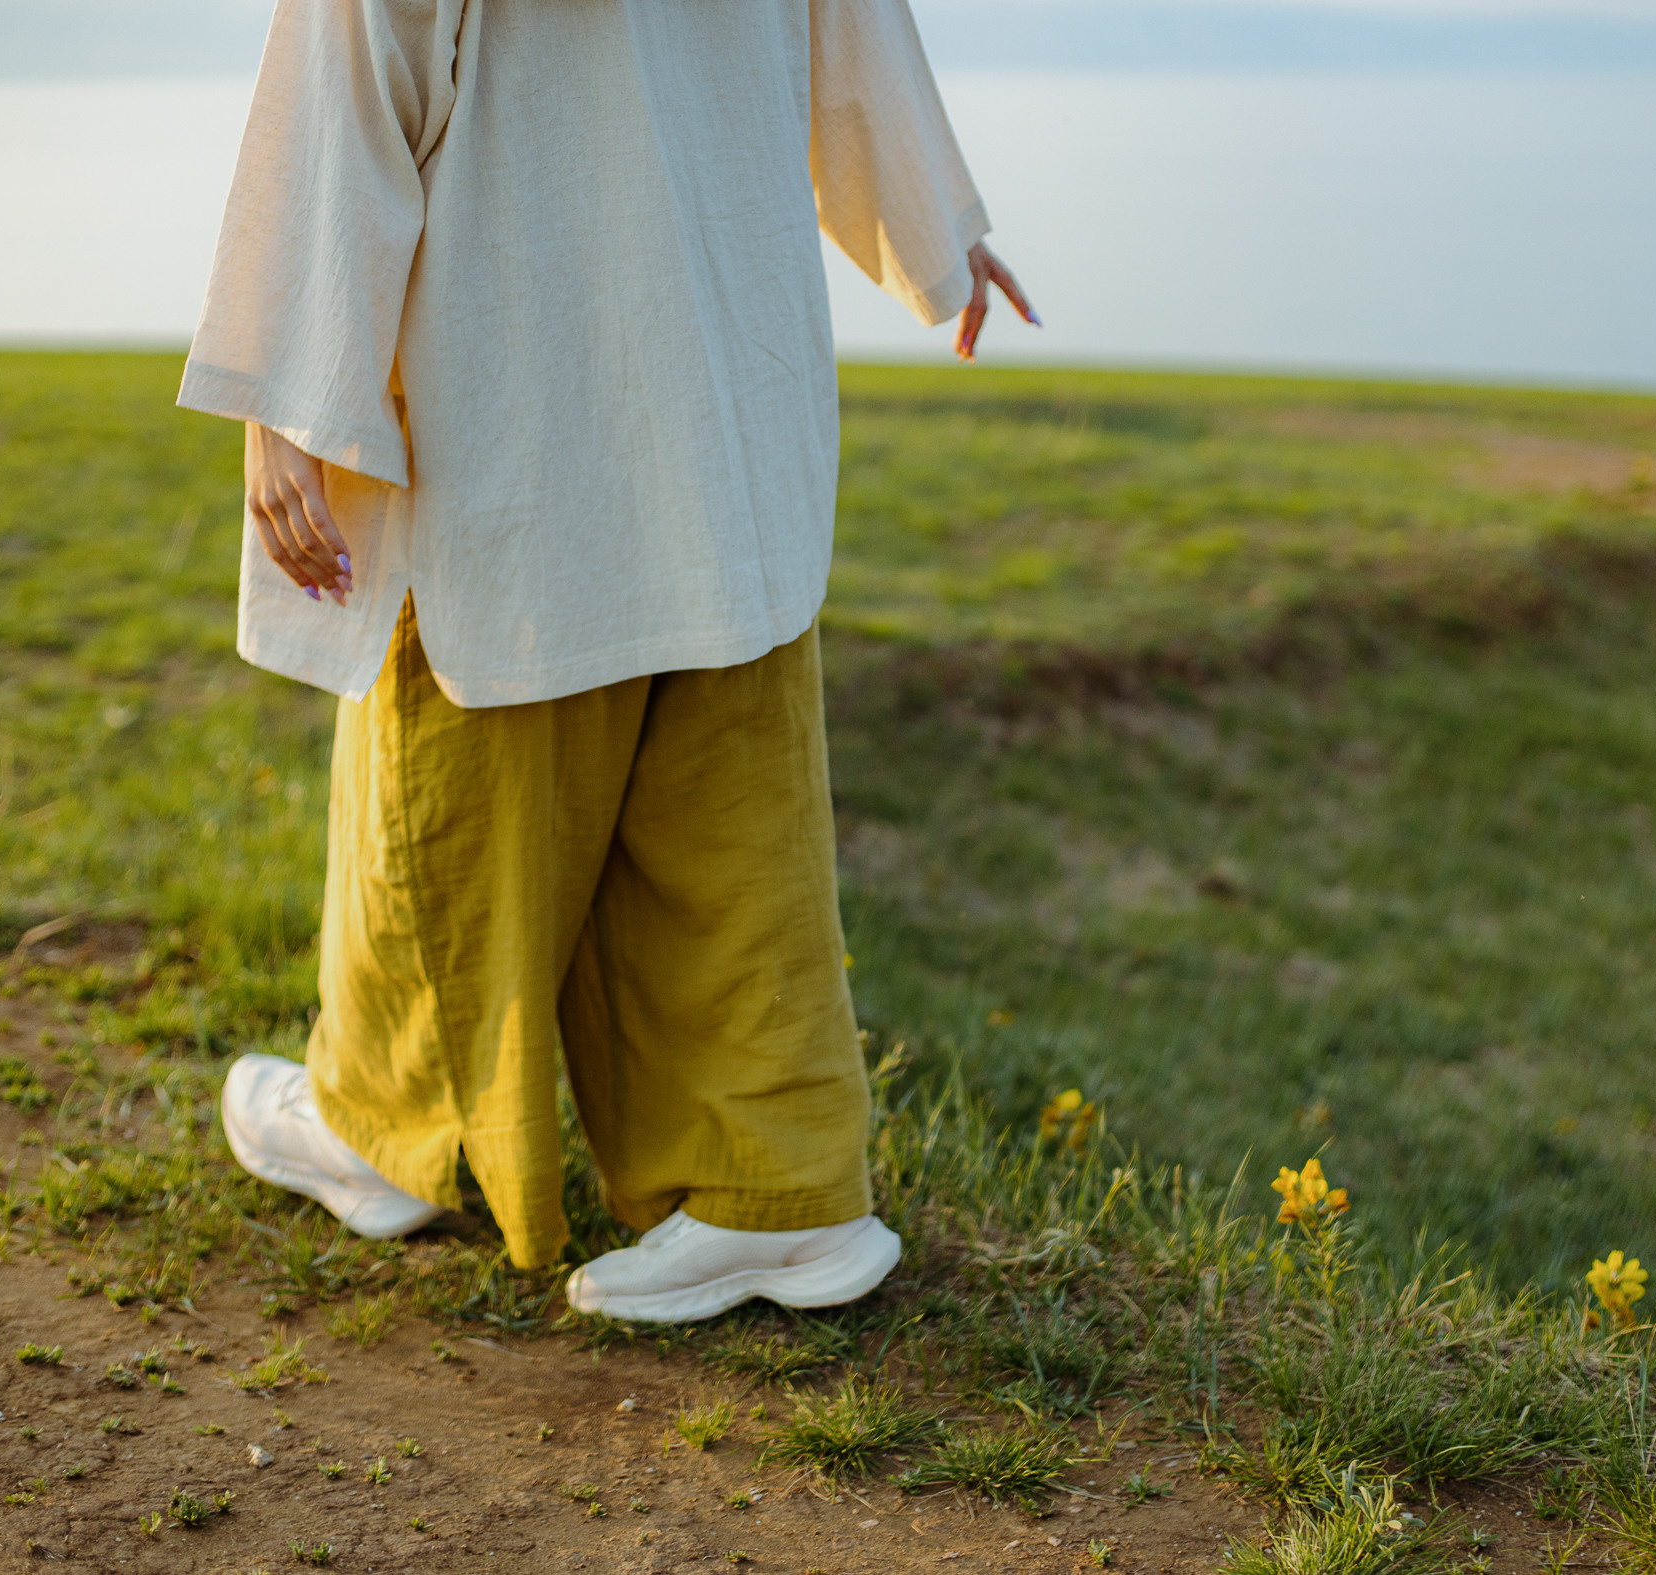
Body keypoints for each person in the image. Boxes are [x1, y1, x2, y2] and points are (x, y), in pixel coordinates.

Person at [180, 0, 1034, 1325]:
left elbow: (347, 83)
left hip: (515, 384)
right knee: (725, 808)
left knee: (451, 772)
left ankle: (385, 1124)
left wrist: (288, 396)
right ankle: (778, 1195)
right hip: (720, 386)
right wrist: (936, 233)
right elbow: (844, 26)